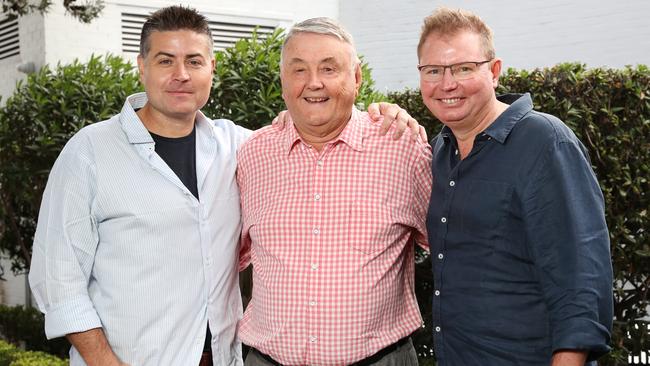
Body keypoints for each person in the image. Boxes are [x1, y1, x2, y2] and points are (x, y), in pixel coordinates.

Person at [28, 6, 420, 366]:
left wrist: (383, 113)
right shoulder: (90, 153)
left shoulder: (241, 147)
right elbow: (58, 281)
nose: (181, 74)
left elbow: (309, 119)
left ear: (211, 68)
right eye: (166, 60)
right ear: (141, 67)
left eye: (194, 61)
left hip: (223, 358)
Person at [419, 7, 613, 366]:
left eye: (464, 68)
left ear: (494, 72)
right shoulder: (440, 150)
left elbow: (581, 281)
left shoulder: (545, 142)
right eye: (433, 70)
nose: (447, 84)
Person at [237, 17, 432, 366]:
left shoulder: (402, 148)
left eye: (329, 68)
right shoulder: (252, 154)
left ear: (356, 78)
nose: (313, 83)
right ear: (283, 82)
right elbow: (224, 255)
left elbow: (456, 252)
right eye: (299, 70)